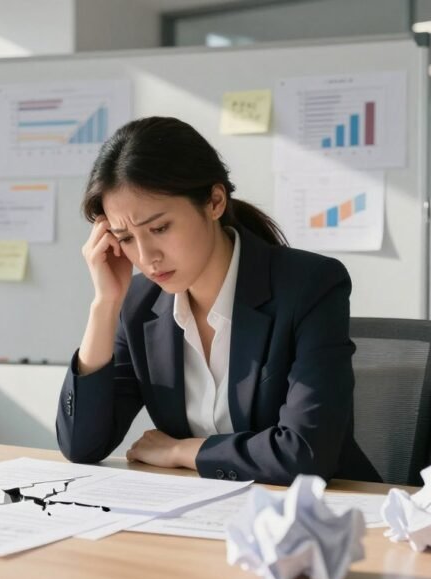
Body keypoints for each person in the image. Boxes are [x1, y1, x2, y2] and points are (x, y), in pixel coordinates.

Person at [56, 116, 379, 485]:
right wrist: (105, 304)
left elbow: (305, 454)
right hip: (205, 517)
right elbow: (80, 445)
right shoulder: (140, 305)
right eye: (124, 237)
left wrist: (183, 450)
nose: (146, 257)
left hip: (316, 518)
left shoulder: (310, 286)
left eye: (159, 228)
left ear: (214, 202)